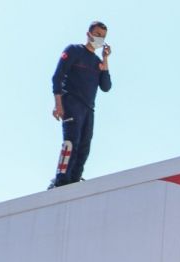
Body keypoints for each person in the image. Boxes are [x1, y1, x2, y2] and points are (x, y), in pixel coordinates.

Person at [49, 21, 112, 188]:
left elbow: (106, 86)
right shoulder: (74, 50)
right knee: (71, 143)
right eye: (97, 34)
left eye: (103, 37)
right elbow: (57, 77)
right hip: (71, 103)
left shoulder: (98, 61)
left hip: (89, 109)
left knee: (84, 147)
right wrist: (58, 104)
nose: (99, 39)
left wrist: (105, 59)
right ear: (89, 34)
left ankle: (74, 183)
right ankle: (61, 182)